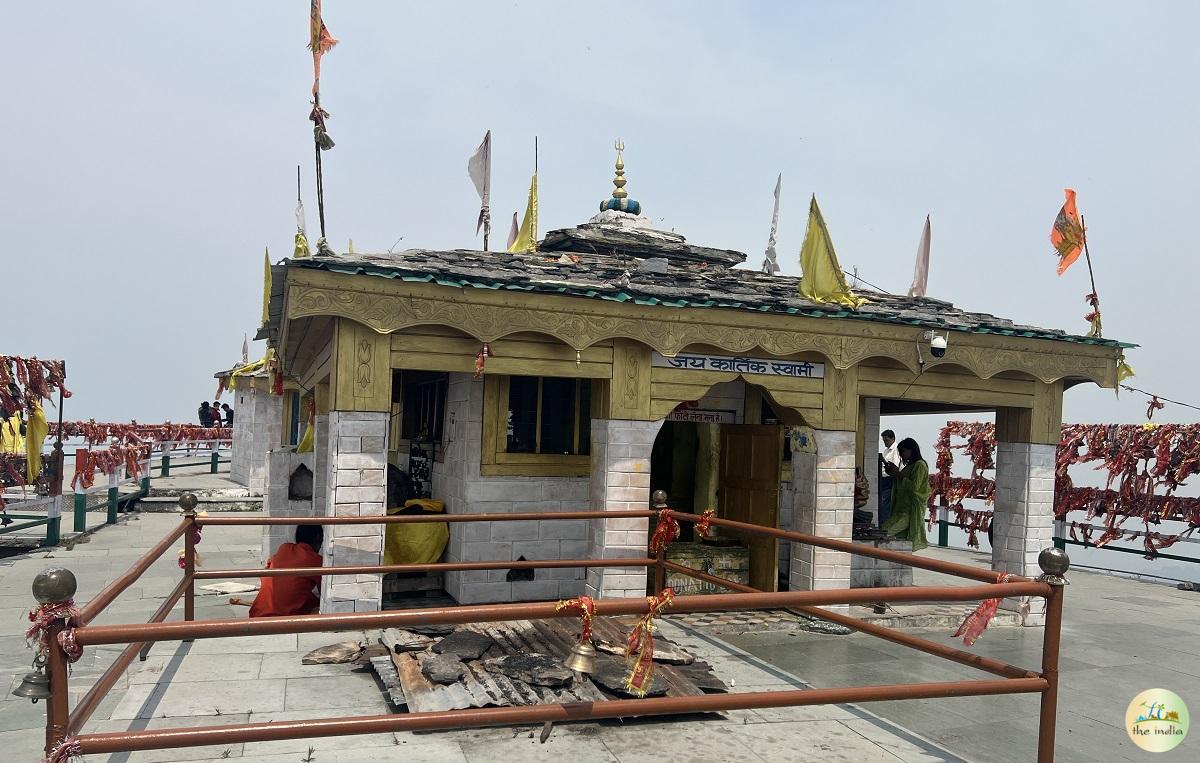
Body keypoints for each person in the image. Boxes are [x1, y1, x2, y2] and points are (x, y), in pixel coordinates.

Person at [248, 524, 324, 617]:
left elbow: (266, 573)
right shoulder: (316, 560)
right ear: (318, 538)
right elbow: (324, 595)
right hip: (282, 618)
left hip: (257, 613)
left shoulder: (284, 548)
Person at [880, 437, 931, 551]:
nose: (902, 455)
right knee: (882, 530)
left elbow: (914, 487)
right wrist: (893, 473)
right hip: (899, 509)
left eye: (903, 451)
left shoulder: (920, 465)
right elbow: (901, 483)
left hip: (909, 512)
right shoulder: (909, 466)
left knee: (885, 533)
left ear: (911, 450)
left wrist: (898, 474)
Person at [878, 430, 901, 525]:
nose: (885, 443)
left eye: (886, 440)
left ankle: (885, 524)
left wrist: (883, 462)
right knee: (881, 502)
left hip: (889, 479)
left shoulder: (896, 450)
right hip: (883, 479)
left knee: (885, 503)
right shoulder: (886, 450)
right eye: (883, 440)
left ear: (893, 439)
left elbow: (894, 466)